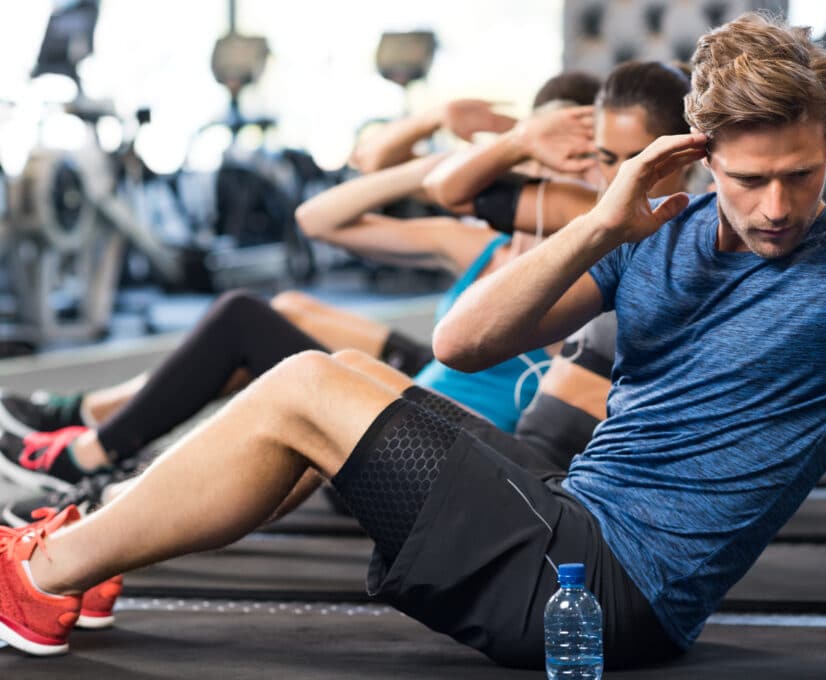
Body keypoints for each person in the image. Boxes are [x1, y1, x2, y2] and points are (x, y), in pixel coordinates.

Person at [13, 14, 826, 671]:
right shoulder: (647, 234)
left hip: (604, 593)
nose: (778, 204)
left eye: (801, 174)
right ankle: (92, 558)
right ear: (701, 155)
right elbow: (468, 337)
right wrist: (602, 222)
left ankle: (41, 576)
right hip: (569, 524)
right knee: (332, 376)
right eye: (749, 178)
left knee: (303, 385)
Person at [0, 76, 601, 499]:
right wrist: (462, 150)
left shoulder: (590, 264)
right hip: (406, 409)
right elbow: (321, 219)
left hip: (420, 452)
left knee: (249, 324)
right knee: (278, 317)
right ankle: (92, 444)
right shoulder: (485, 244)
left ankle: (88, 456)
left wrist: (488, 166)